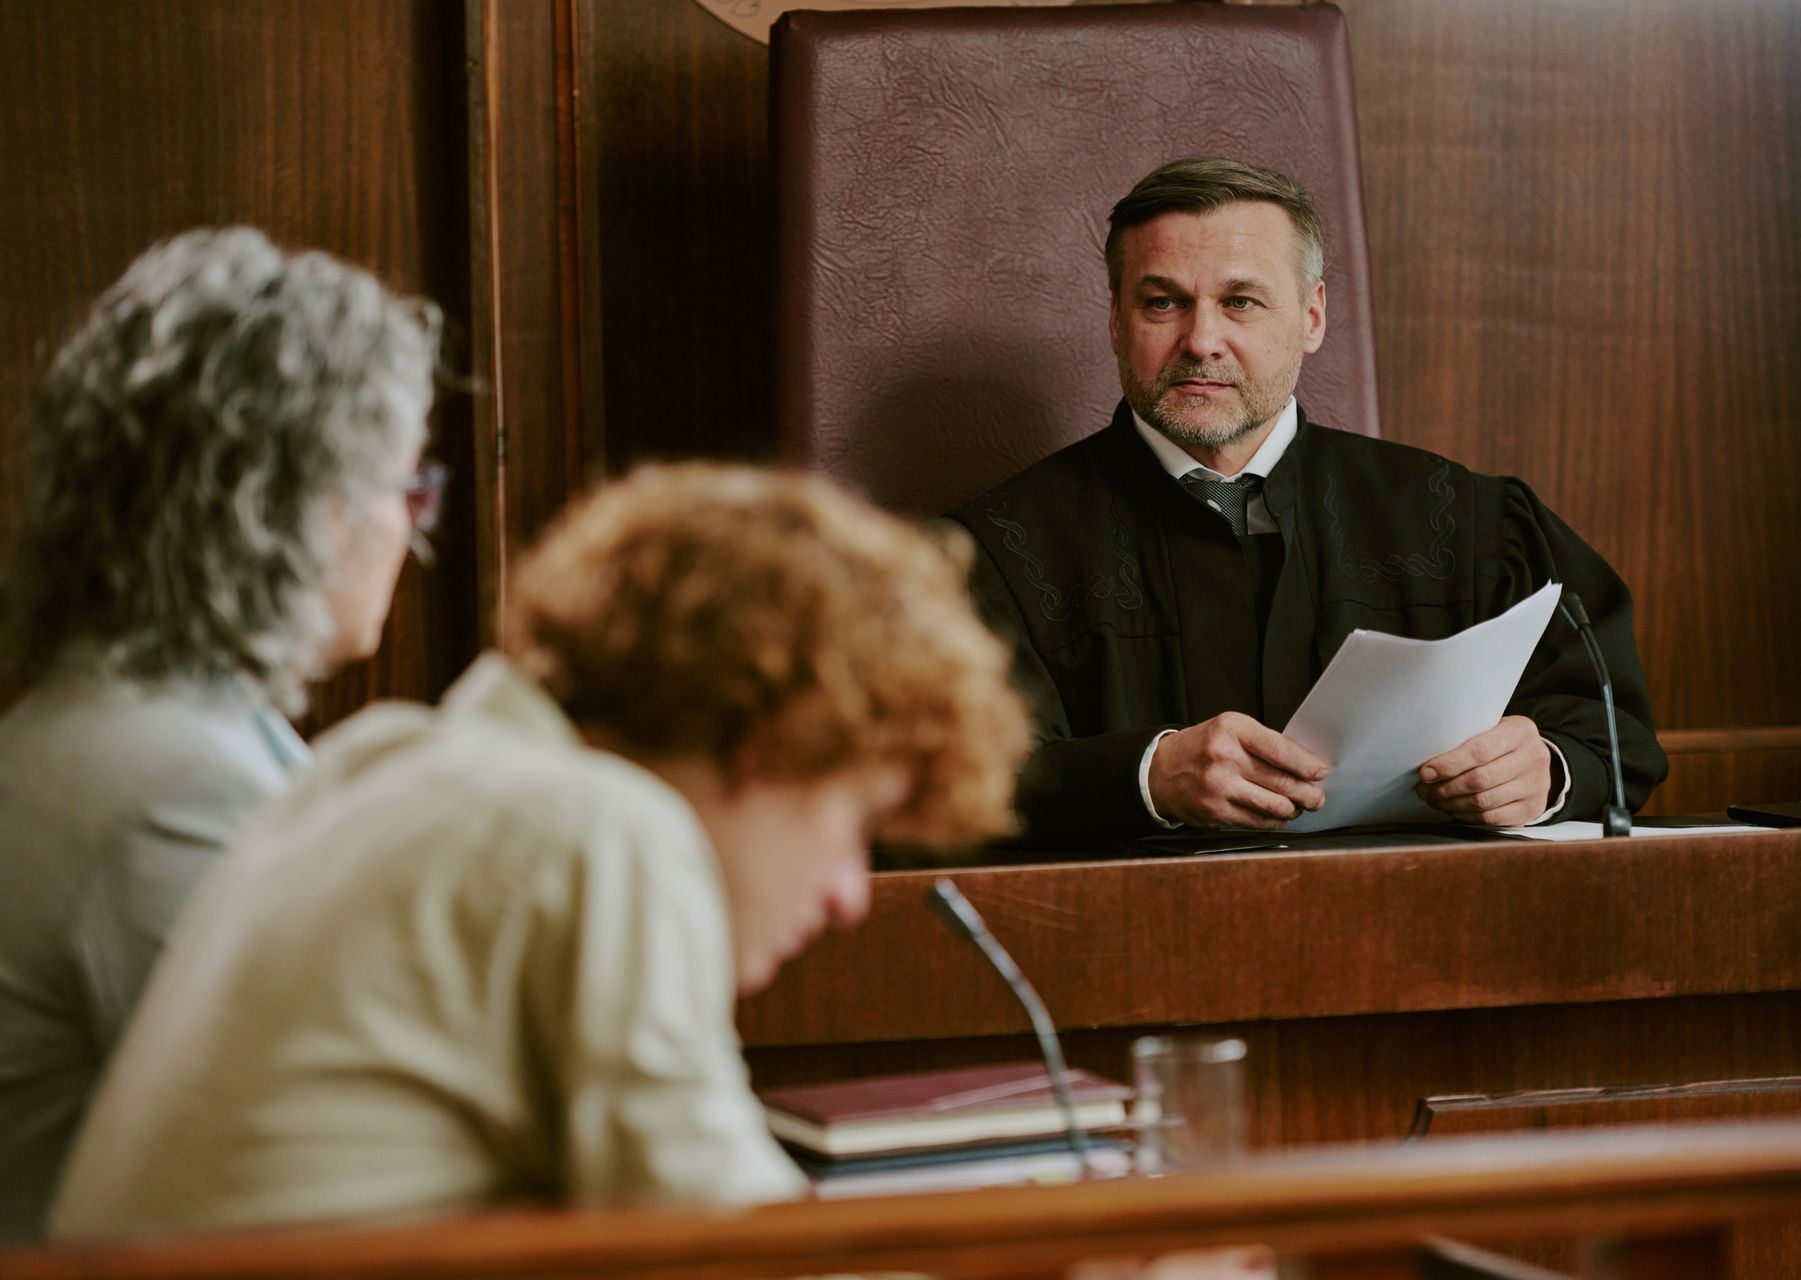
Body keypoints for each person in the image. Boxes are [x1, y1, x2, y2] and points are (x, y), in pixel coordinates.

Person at [49, 462, 1029, 1240]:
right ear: (767, 745)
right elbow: (736, 1251)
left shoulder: (384, 754)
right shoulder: (597, 827)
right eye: (852, 822)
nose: (849, 893)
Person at [947, 156, 1667, 843]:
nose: (1202, 340)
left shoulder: (1463, 520)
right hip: (1128, 946)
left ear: (1312, 317)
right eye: (1163, 302)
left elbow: (1613, 731)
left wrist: (1548, 769)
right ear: (1115, 322)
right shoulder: (998, 552)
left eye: (1241, 302)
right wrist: (1146, 777)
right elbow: (936, 787)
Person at [0, 227, 442, 1242]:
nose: (409, 534)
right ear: (304, 505)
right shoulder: (168, 785)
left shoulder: (99, 726)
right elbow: (325, 1168)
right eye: (407, 485)